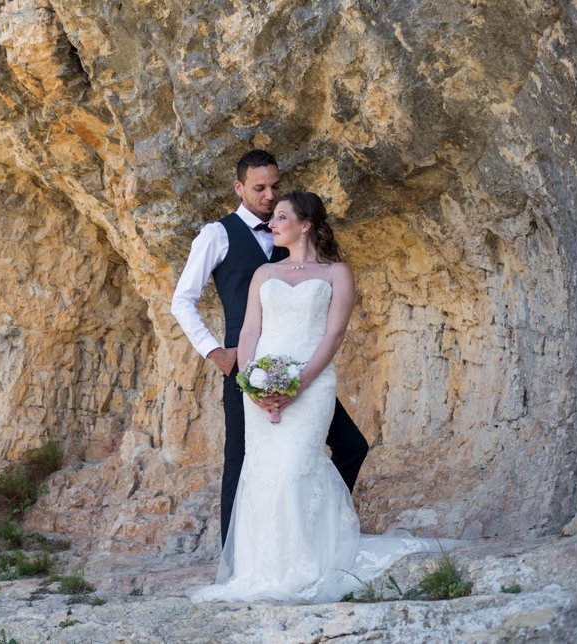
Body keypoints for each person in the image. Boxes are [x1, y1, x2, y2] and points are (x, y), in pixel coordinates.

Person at [189, 192, 455, 602]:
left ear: (306, 224)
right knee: (264, 472)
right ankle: (262, 568)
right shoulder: (264, 273)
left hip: (311, 384)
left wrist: (297, 384)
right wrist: (252, 385)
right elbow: (249, 333)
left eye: (281, 217)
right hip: (260, 387)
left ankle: (310, 561)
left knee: (298, 465)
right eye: (273, 217)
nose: (272, 223)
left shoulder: (336, 273)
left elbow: (333, 336)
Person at [171, 150, 368, 547]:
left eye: (274, 186)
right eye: (259, 188)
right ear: (239, 187)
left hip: (299, 364)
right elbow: (182, 299)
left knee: (350, 446)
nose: (268, 195)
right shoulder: (217, 234)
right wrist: (216, 352)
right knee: (242, 460)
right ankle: (235, 557)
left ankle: (321, 532)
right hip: (244, 365)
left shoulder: (291, 230)